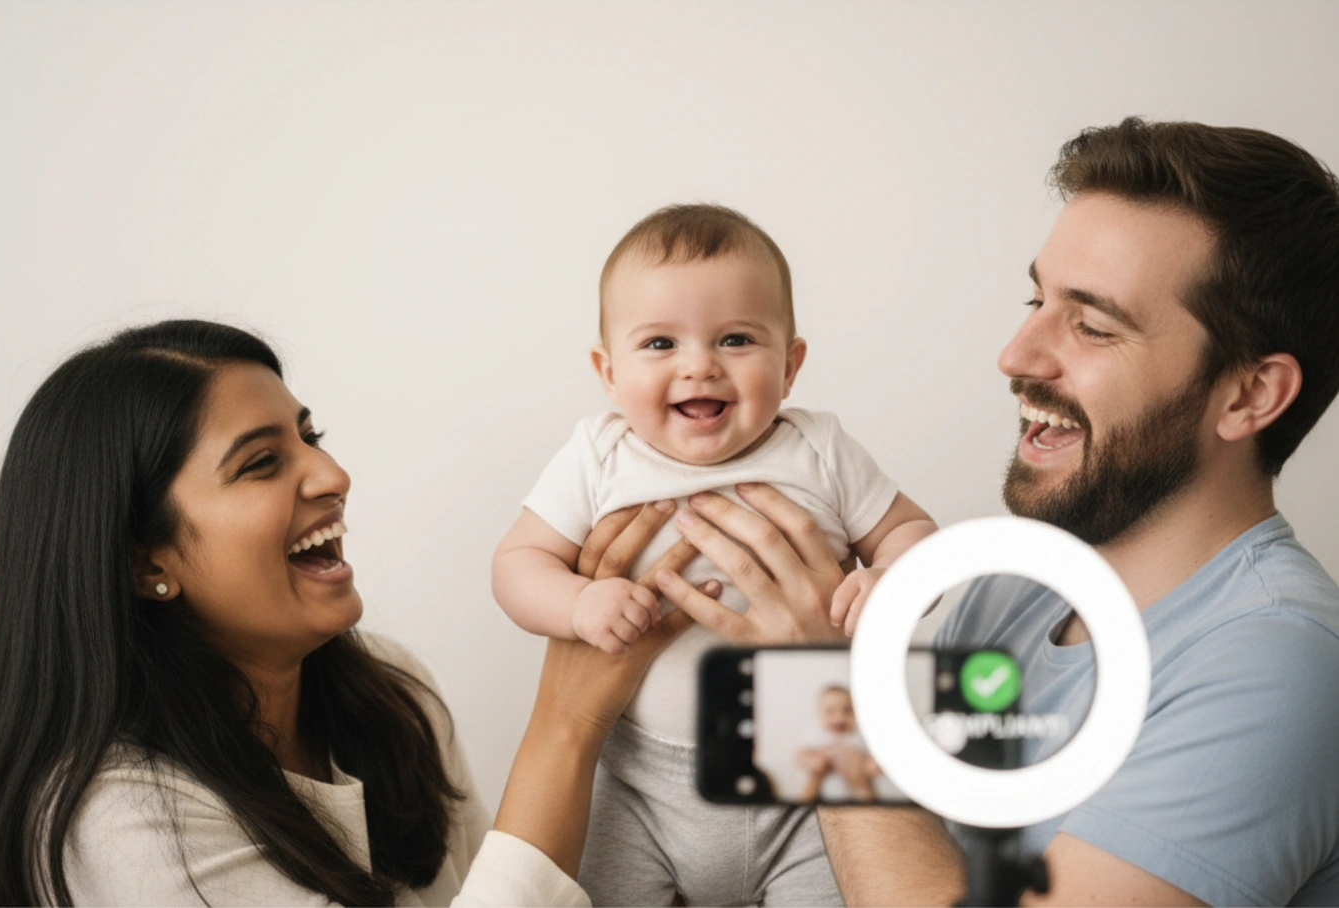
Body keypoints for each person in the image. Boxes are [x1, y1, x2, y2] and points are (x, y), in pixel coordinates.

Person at [652, 119, 1339, 906]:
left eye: (1092, 325)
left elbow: (843, 773)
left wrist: (818, 695)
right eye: (1036, 299)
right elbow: (823, 848)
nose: (1016, 355)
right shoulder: (1010, 585)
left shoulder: (1279, 669)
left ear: (1251, 394)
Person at [0, 319, 713, 907]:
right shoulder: (119, 822)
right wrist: (568, 723)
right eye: (262, 463)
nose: (333, 475)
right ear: (145, 561)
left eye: (310, 437)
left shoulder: (393, 691)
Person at [492, 203, 937, 905]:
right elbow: (517, 563)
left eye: (735, 339)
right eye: (660, 345)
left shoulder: (820, 450)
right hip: (640, 783)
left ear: (790, 365)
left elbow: (914, 534)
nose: (699, 366)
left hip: (805, 775)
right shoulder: (598, 457)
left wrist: (888, 577)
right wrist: (578, 603)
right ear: (608, 373)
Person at [795, 686, 882, 802]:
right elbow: (800, 755)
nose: (839, 717)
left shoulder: (859, 736)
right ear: (818, 714)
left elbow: (874, 762)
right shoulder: (817, 735)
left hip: (854, 795)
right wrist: (814, 762)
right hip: (823, 794)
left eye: (847, 710)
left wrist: (868, 767)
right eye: (830, 711)